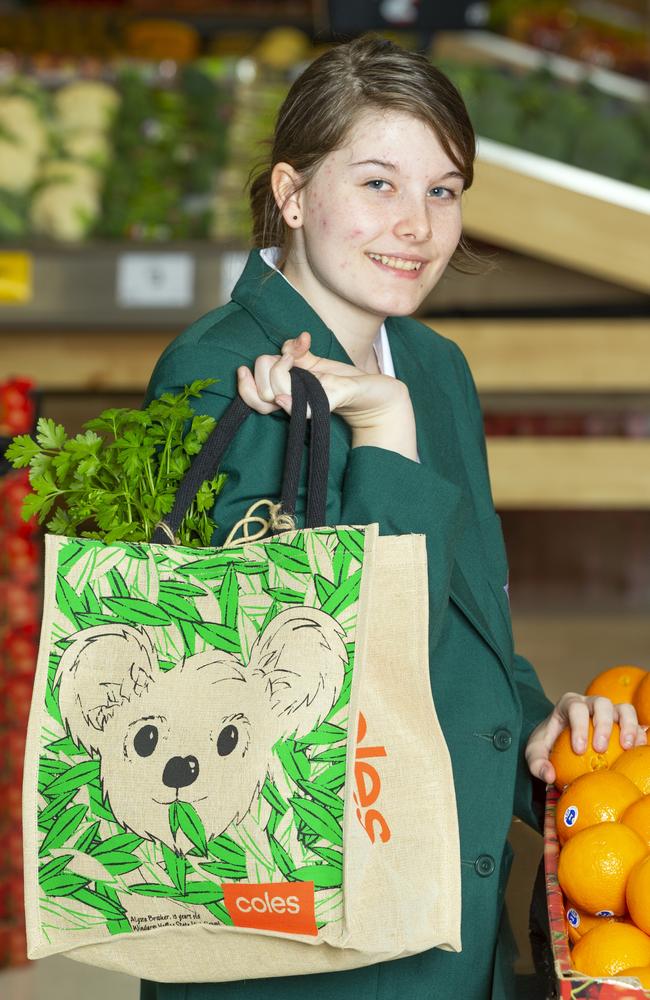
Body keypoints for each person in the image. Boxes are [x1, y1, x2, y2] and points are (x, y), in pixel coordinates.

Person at [141, 34, 645, 1000]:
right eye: (378, 183)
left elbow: (459, 625)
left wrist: (535, 729)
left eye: (443, 190)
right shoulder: (218, 376)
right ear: (292, 193)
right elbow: (296, 669)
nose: (416, 225)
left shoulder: (433, 367)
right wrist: (383, 432)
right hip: (309, 939)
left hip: (449, 910)